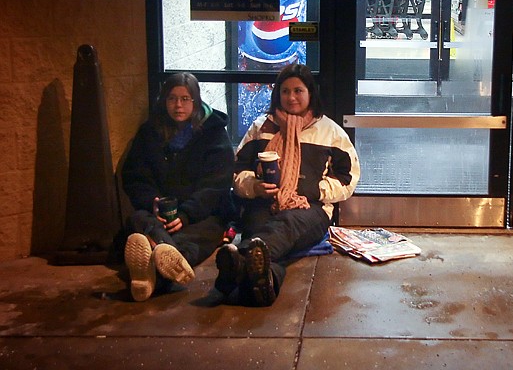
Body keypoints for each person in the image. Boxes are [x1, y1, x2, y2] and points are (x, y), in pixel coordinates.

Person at [214, 63, 360, 306]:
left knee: (285, 226)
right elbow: (238, 170)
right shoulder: (262, 127)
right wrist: (254, 186)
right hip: (264, 203)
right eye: (285, 91)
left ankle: (236, 265)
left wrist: (313, 190)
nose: (291, 97)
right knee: (260, 239)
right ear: (277, 94)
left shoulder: (329, 131)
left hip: (310, 208)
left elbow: (348, 179)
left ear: (310, 94)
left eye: (298, 91)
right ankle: (264, 280)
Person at [122, 72, 235, 302]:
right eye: (172, 98)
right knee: (139, 220)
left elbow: (216, 185)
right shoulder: (150, 132)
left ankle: (152, 271)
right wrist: (152, 202)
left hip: (201, 213)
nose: (178, 105)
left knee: (199, 236)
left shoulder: (213, 133)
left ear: (195, 101)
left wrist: (186, 214)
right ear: (164, 101)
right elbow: (136, 175)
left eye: (185, 99)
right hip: (160, 213)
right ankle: (162, 259)